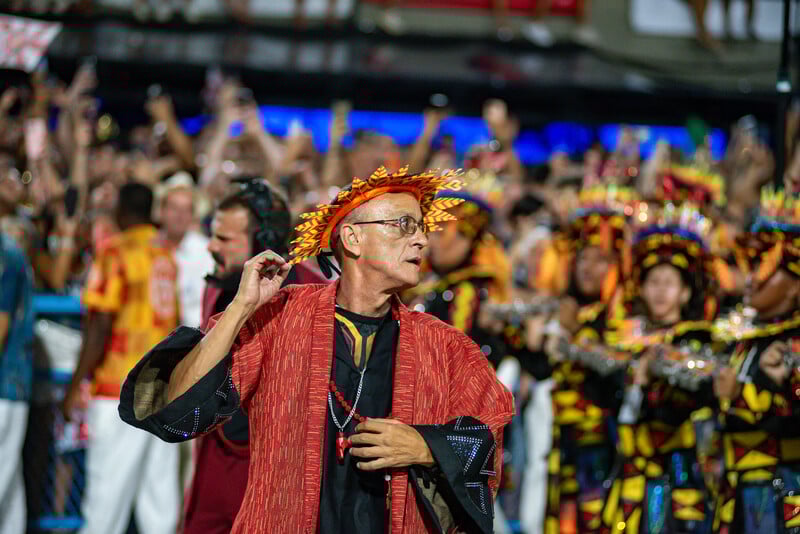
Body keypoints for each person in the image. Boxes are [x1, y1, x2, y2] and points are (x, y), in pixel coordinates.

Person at [118, 166, 514, 533]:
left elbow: (488, 437)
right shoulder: (280, 319)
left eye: (421, 227)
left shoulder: (445, 347)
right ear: (352, 238)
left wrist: (426, 446)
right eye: (403, 225)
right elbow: (178, 407)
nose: (422, 239)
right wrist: (240, 308)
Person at [182, 177, 325, 534]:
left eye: (224, 239)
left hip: (276, 466)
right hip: (217, 454)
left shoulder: (309, 295)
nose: (212, 247)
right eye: (213, 234)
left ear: (262, 245)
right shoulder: (215, 288)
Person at [62, 182, 180, 534]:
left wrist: (75, 384)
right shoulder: (165, 255)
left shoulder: (115, 252)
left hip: (121, 388)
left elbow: (99, 323)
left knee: (105, 501)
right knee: (158, 503)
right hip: (162, 391)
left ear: (121, 211)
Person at [601, 202, 718, 534]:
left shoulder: (695, 341)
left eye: (670, 283)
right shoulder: (624, 338)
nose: (661, 290)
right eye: (654, 281)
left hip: (680, 466)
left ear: (684, 293)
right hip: (630, 467)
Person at [539, 186, 637, 534]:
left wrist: (572, 337)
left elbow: (616, 374)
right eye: (583, 257)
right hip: (563, 438)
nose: (588, 267)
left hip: (602, 441)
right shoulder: (566, 309)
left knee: (598, 519)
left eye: (600, 259)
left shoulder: (626, 318)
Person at [711, 189, 800, 534]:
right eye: (750, 265)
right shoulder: (740, 338)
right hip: (738, 489)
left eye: (765, 268)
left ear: (795, 286)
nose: (751, 277)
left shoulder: (792, 342)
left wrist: (753, 392)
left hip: (783, 493)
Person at [0, 230, 35, 534]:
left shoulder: (5, 255)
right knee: (9, 490)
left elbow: (0, 325)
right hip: (12, 387)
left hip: (4, 387)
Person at [156, 172, 215, 328]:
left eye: (186, 210)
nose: (179, 216)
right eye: (174, 208)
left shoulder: (206, 251)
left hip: (190, 336)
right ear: (161, 211)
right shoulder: (149, 247)